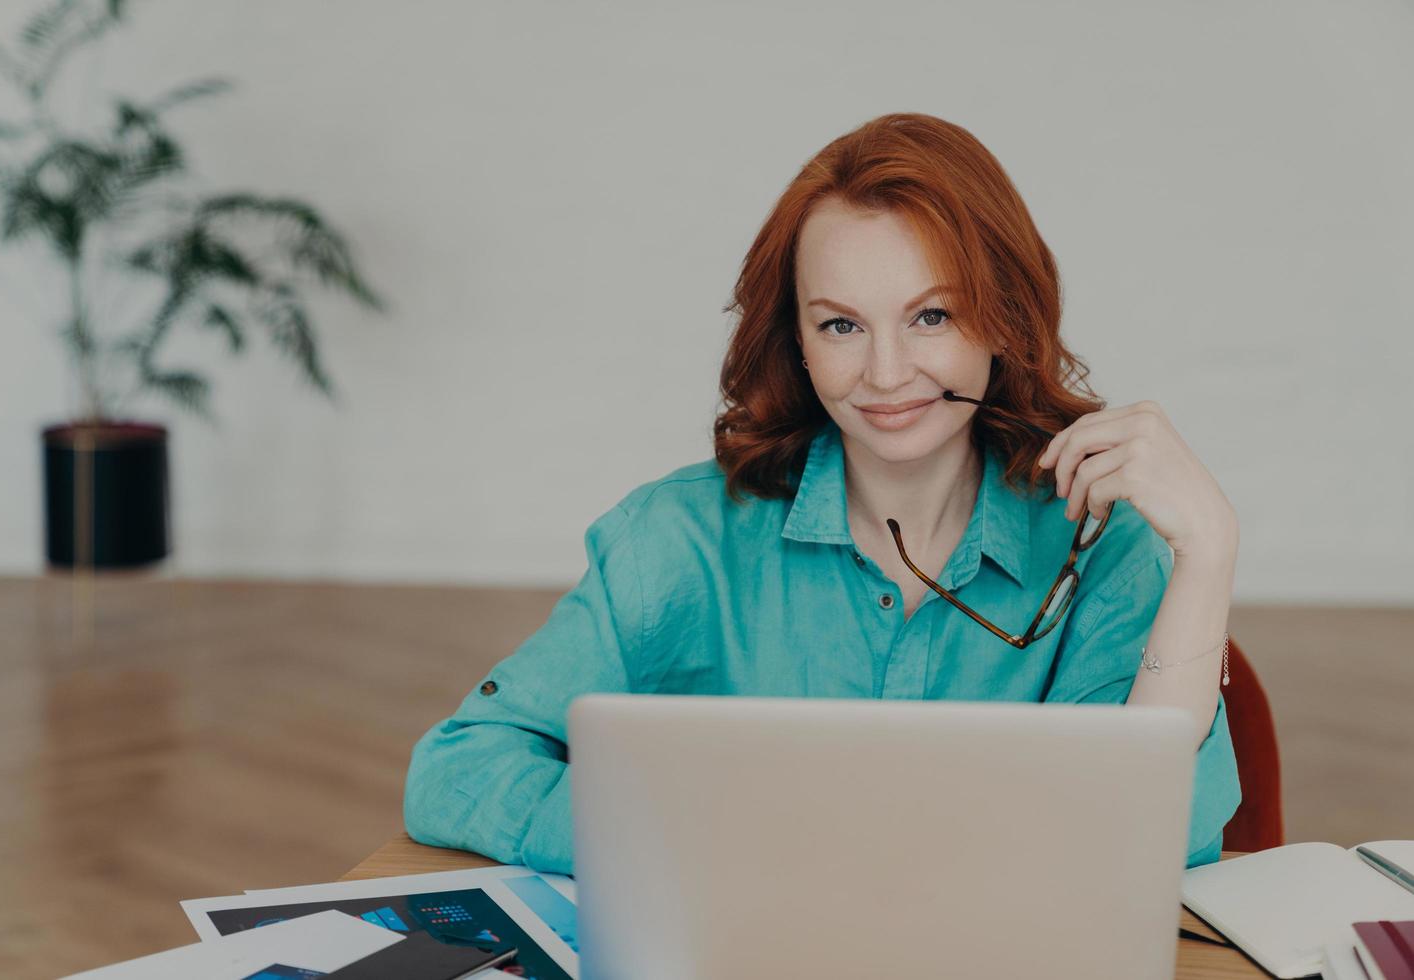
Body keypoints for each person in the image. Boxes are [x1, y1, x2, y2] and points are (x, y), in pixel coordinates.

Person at [403, 112, 1241, 875]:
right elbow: (462, 766)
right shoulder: (676, 540)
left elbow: (1154, 838)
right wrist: (694, 843)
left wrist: (1208, 552)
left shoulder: (1099, 544)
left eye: (932, 317)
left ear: (1004, 317)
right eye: (841, 324)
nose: (884, 374)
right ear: (796, 340)